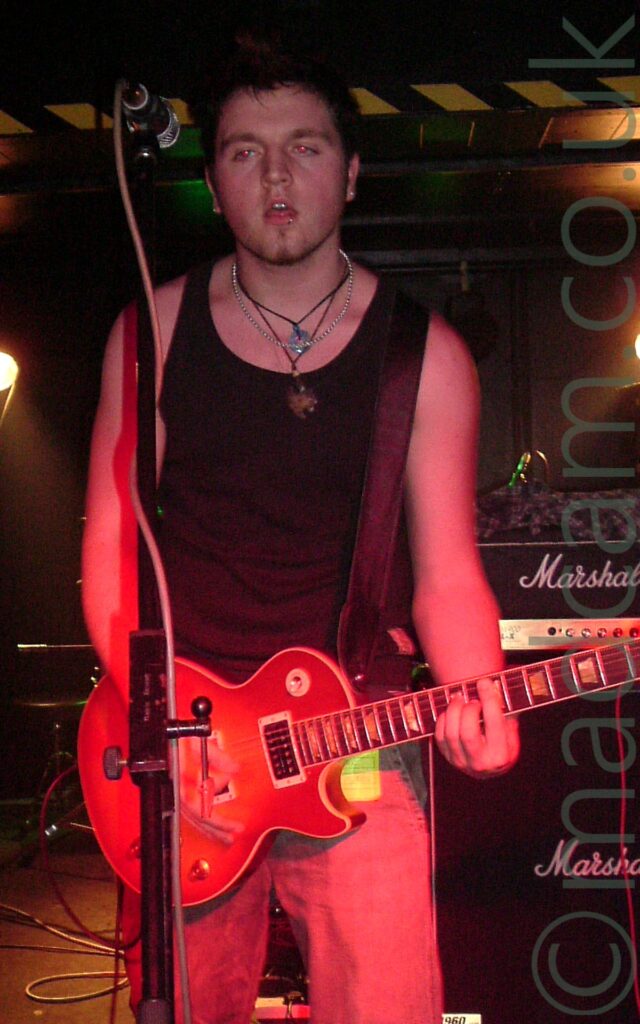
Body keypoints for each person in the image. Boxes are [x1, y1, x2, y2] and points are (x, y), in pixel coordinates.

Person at [82, 38, 520, 1024]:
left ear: (353, 171)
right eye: (245, 150)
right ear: (212, 178)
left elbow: (445, 572)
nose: (276, 175)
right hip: (188, 755)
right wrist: (156, 719)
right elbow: (110, 552)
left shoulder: (425, 357)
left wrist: (479, 690)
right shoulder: (148, 334)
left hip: (354, 733)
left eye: (306, 148)